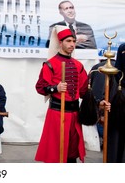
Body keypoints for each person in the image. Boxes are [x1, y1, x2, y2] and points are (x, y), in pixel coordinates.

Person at [35, 25, 89, 163]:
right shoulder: (50, 64)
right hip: (57, 114)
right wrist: (55, 88)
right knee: (56, 152)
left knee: (72, 150)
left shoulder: (78, 65)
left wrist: (99, 102)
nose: (72, 44)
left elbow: (84, 91)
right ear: (60, 43)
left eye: (73, 41)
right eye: (68, 41)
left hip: (75, 114)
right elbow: (40, 87)